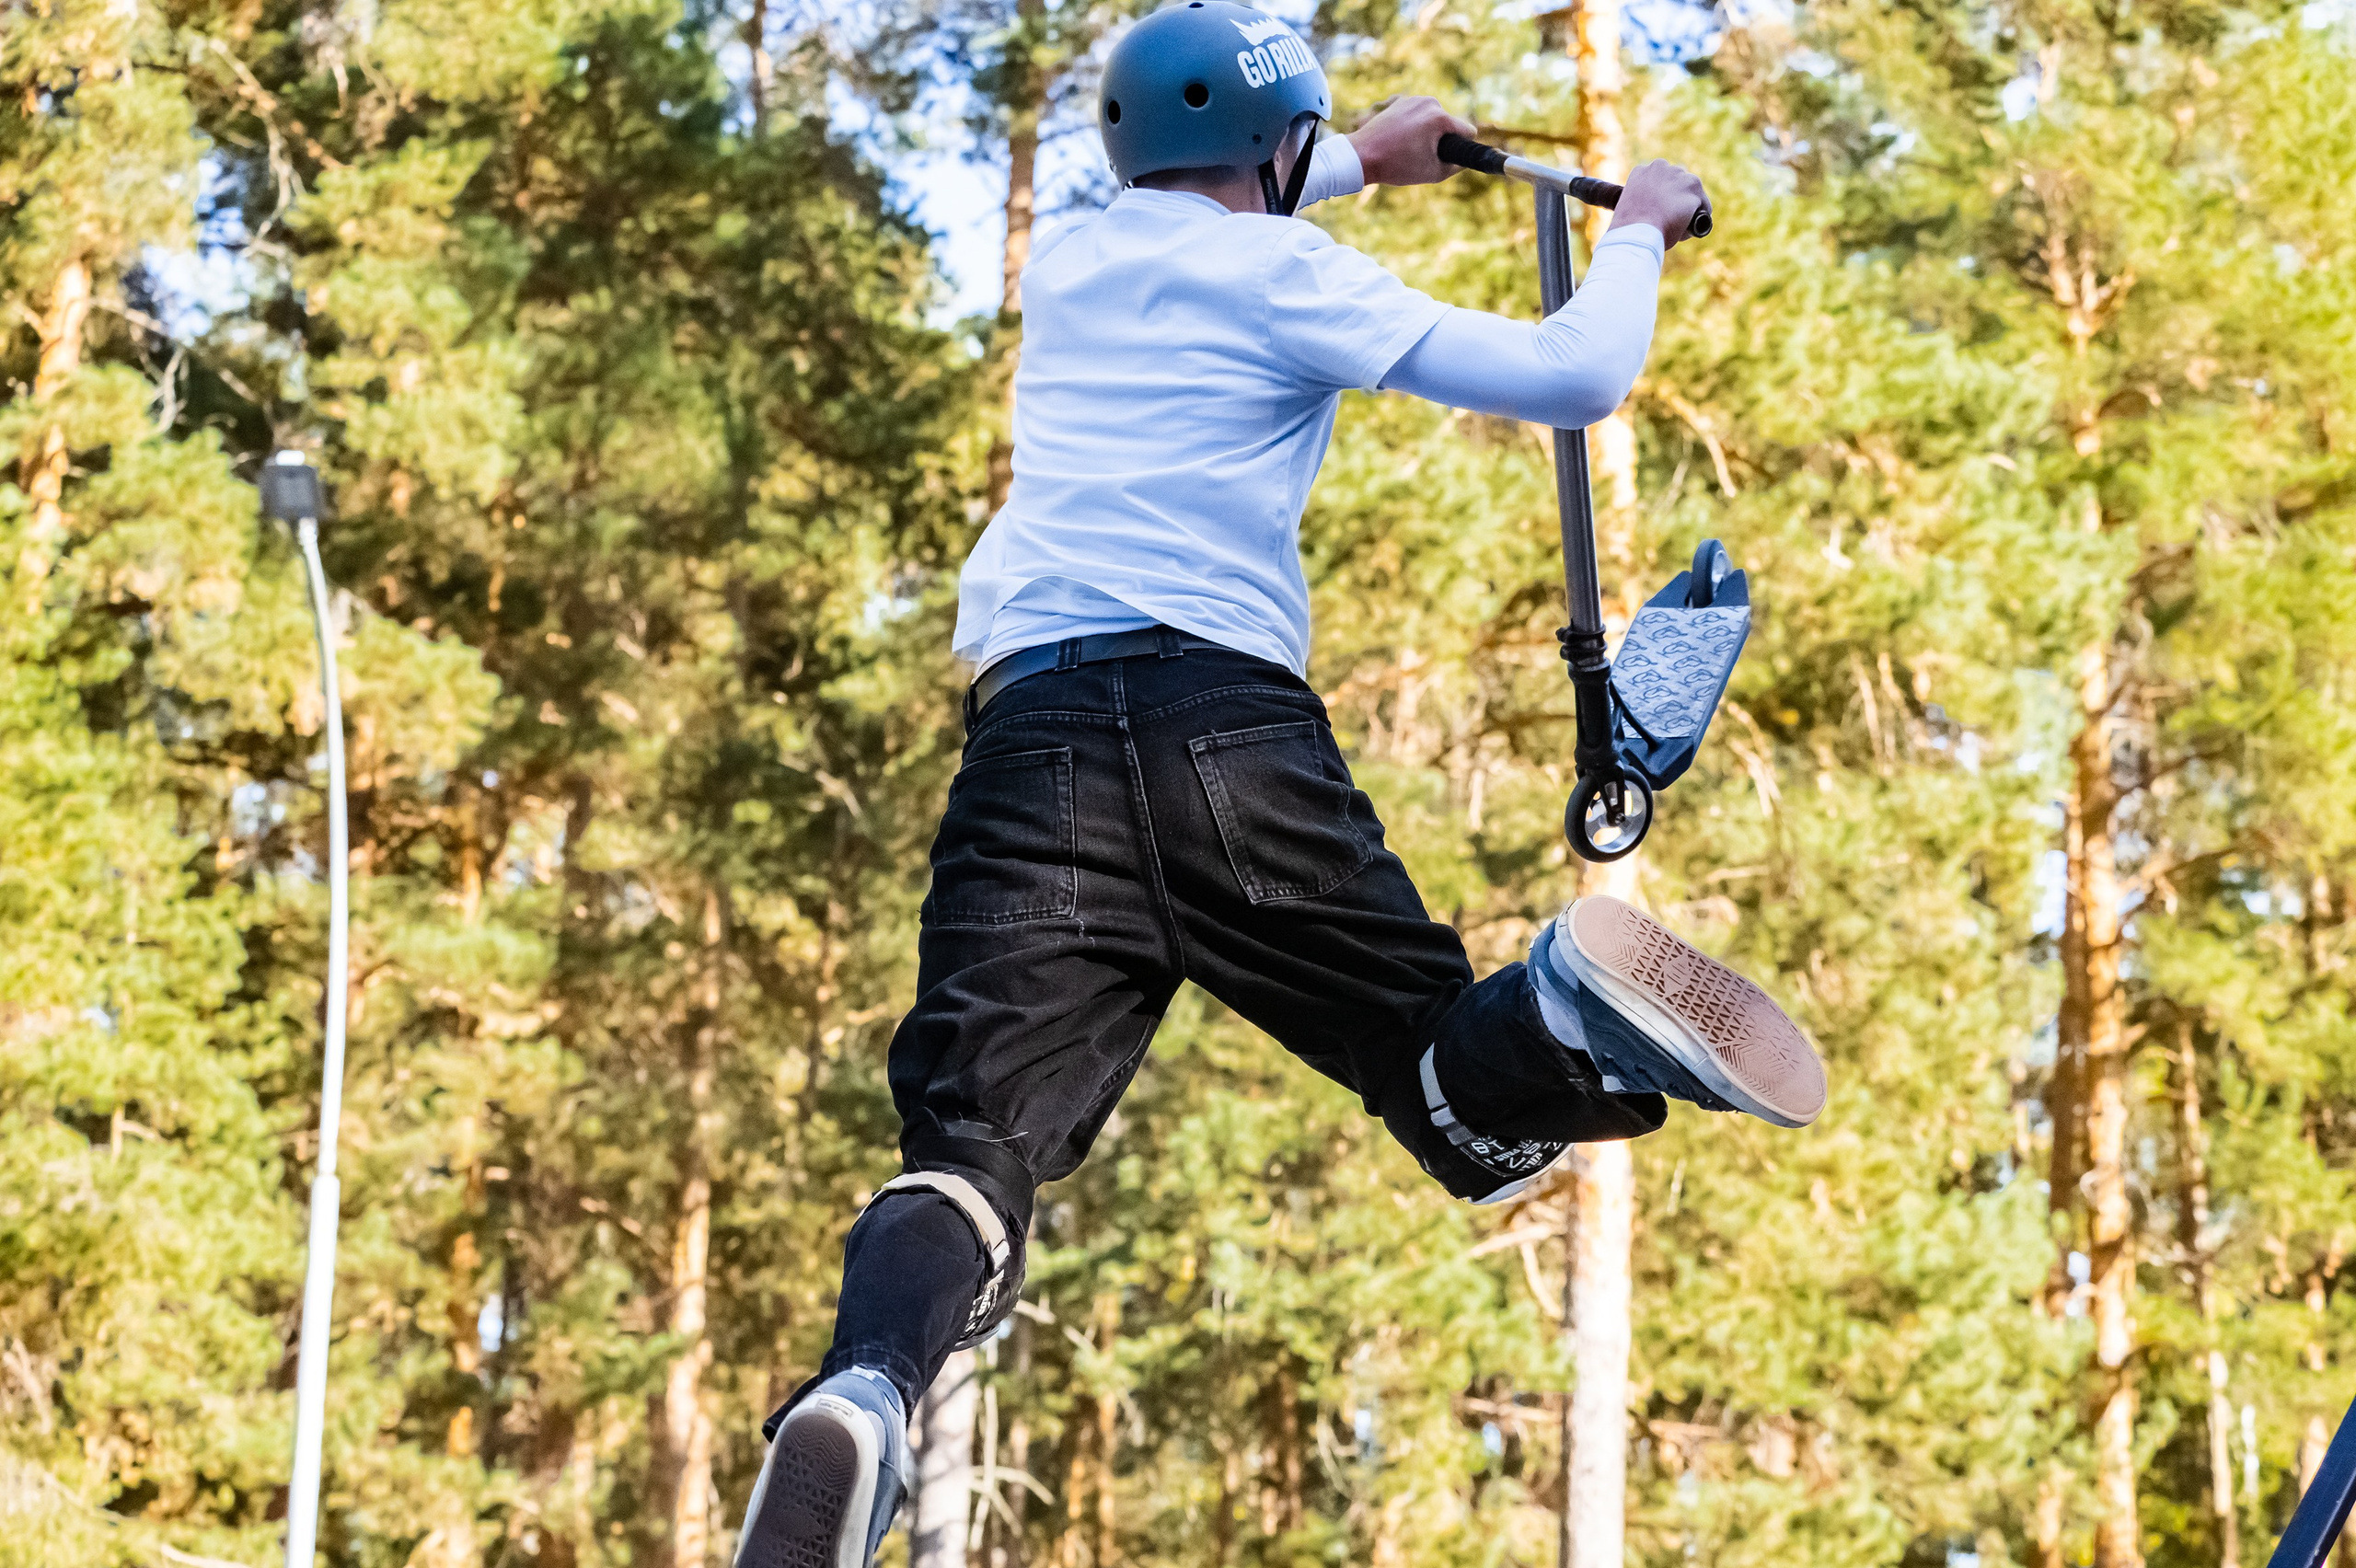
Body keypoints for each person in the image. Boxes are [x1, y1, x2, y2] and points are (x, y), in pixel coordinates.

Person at [733, 6, 1826, 1564]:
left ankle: (862, 1394)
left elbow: (1217, 224)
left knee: (968, 1159)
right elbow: (1577, 376)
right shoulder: (1290, 273)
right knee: (1452, 1097)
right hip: (1222, 735)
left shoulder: (1075, 263)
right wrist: (1639, 226)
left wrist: (1358, 166)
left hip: (1029, 742)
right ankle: (1564, 1004)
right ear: (1277, 147)